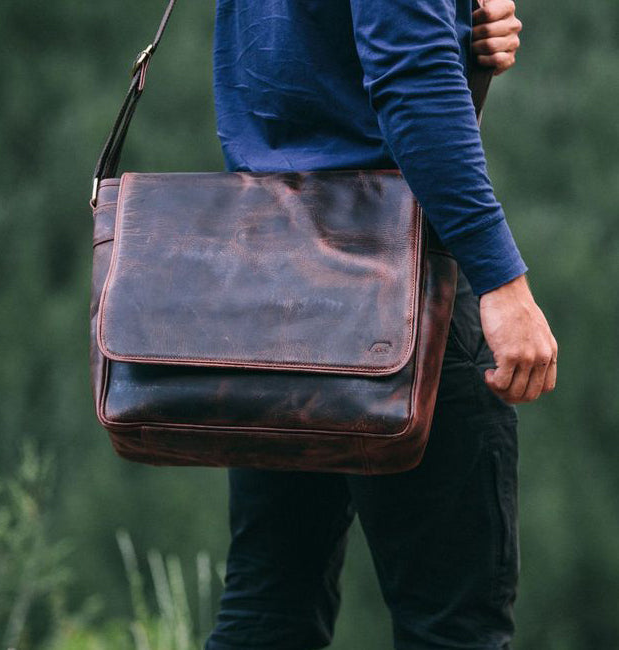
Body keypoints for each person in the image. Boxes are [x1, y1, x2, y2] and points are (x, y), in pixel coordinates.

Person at [205, 0, 558, 648]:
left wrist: (458, 33)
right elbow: (410, 80)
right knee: (454, 626)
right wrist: (503, 280)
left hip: (272, 273)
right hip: (402, 277)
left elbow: (283, 60)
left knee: (270, 604)